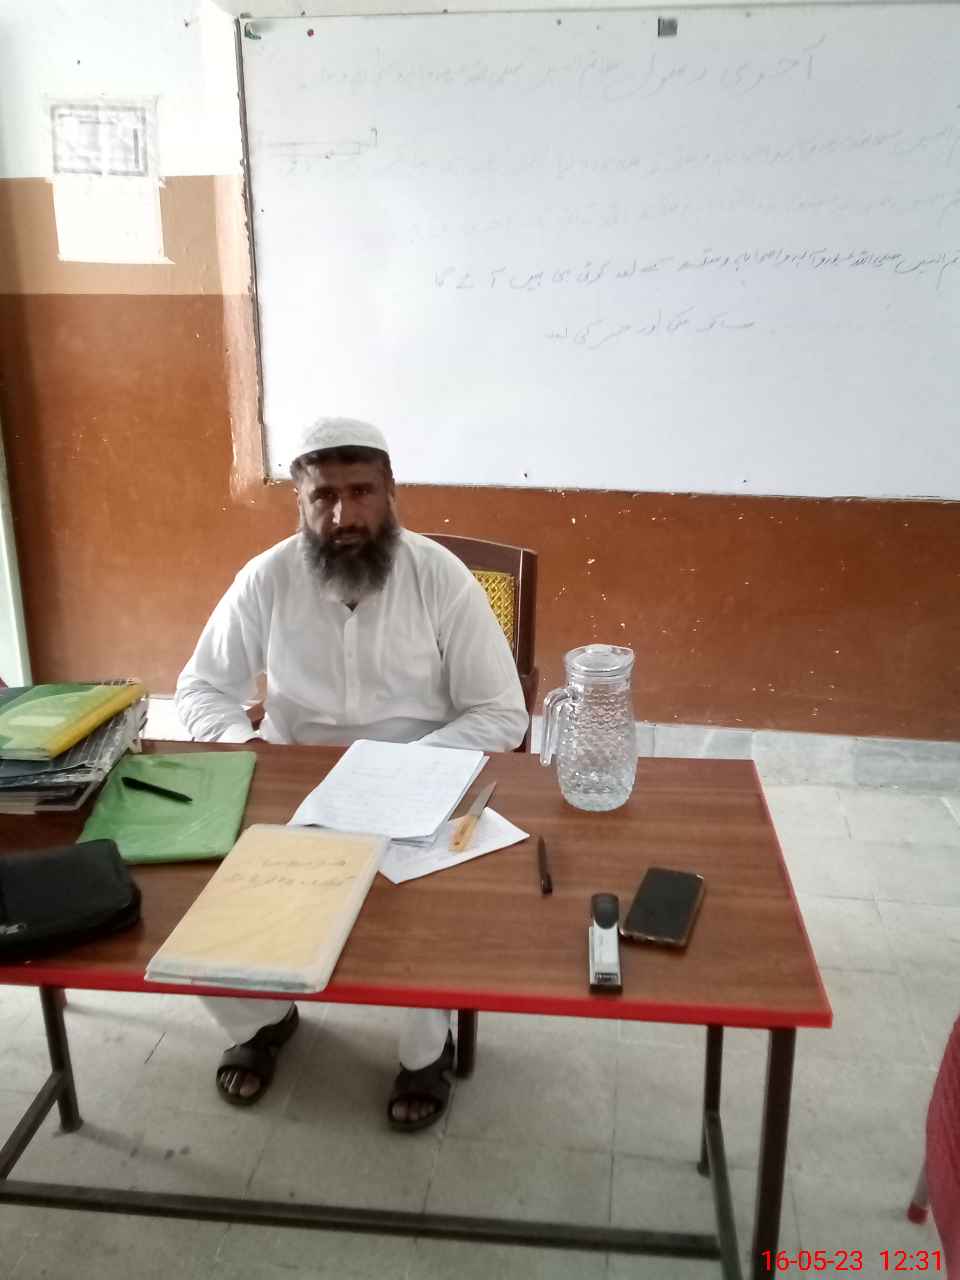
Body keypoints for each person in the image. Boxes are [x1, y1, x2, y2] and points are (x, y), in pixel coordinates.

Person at [175, 417, 528, 1130]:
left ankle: (425, 1054)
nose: (343, 516)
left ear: (391, 491)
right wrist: (245, 749)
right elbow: (202, 688)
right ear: (299, 502)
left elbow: (500, 713)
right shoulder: (267, 577)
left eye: (361, 492)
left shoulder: (440, 577)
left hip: (419, 775)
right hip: (292, 781)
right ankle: (263, 1020)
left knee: (427, 910)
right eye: (324, 497)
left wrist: (402, 769)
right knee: (195, 905)